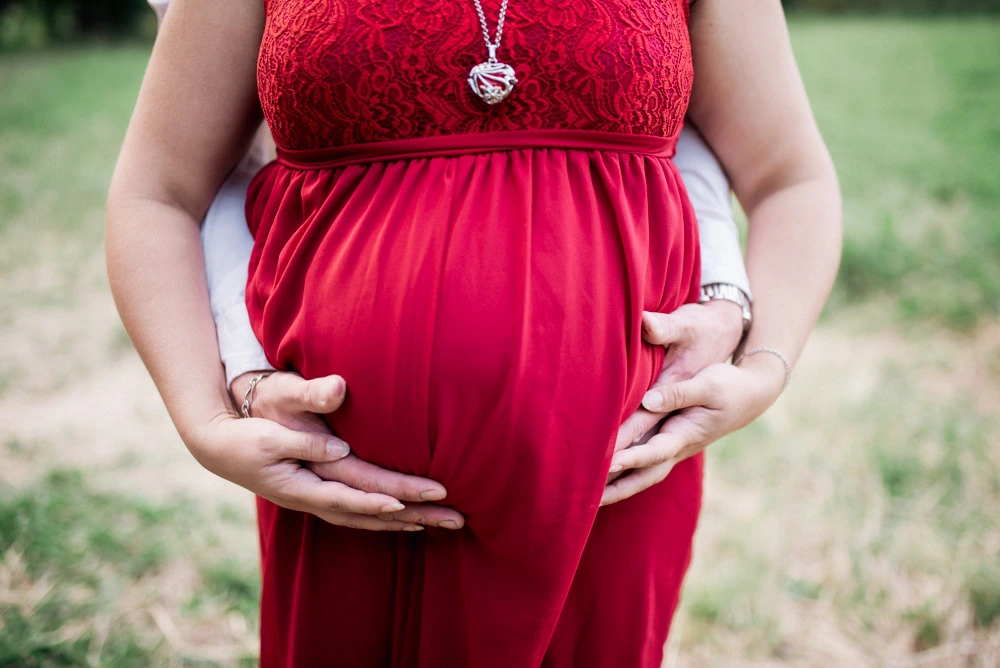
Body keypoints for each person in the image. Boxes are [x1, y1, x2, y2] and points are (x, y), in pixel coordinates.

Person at [106, 0, 841, 664]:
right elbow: (159, 191)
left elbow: (789, 178)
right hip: (346, 502)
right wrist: (205, 417)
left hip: (605, 488)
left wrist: (762, 366)